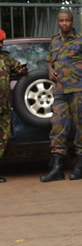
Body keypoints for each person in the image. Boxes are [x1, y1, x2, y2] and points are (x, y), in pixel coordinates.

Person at [40, 9, 82, 182]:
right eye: (61, 20)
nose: (64, 23)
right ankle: (57, 169)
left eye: (67, 20)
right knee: (57, 126)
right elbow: (50, 60)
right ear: (58, 22)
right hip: (60, 91)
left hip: (79, 91)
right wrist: (50, 70)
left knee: (81, 126)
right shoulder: (54, 41)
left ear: (72, 21)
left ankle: (80, 166)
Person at [0, 29, 28, 182]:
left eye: (1, 42)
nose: (0, 45)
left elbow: (18, 68)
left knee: (2, 137)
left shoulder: (6, 58)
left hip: (4, 105)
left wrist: (23, 70)